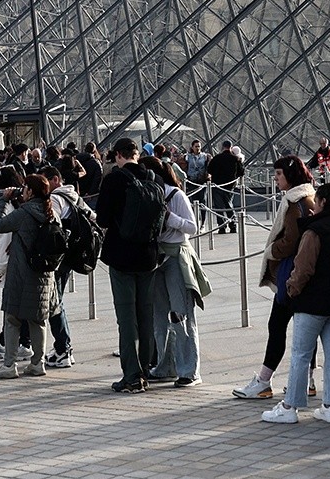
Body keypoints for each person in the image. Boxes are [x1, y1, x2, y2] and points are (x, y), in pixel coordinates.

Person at [263, 177, 330, 424]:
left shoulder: (314, 231)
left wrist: (291, 290)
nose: (313, 205)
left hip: (312, 302)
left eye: (316, 201)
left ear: (324, 202)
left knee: (300, 354)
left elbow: (303, 269)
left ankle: (290, 407)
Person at [233, 154, 318, 401]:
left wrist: (271, 251)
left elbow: (290, 241)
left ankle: (263, 381)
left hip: (292, 273)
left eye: (279, 174)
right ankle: (307, 382)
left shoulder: (294, 202)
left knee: (277, 326)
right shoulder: (309, 197)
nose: (275, 178)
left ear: (290, 176)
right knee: (304, 329)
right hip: (304, 273)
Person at [97, 140, 165, 393]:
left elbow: (103, 218)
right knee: (145, 316)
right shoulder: (154, 178)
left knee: (126, 318)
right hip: (148, 255)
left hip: (121, 255)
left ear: (117, 155)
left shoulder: (115, 180)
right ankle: (146, 370)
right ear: (137, 154)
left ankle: (132, 376)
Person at [0, 175, 61, 379]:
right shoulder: (51, 212)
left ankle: (9, 365)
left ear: (30, 191)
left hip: (21, 273)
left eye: (25, 188)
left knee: (12, 318)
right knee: (38, 320)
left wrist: (3, 200)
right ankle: (38, 363)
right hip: (44, 275)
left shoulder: (25, 213)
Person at [144, 155, 206, 386]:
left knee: (181, 314)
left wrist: (171, 219)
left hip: (176, 256)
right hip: (156, 259)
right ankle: (165, 366)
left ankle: (190, 370)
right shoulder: (148, 195)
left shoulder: (175, 195)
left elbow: (192, 227)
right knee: (159, 317)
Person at [42, 163, 95, 369]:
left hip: (58, 258)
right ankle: (63, 347)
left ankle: (63, 348)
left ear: (55, 180)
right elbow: (93, 218)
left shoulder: (55, 198)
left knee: (55, 302)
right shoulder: (74, 196)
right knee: (57, 300)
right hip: (72, 256)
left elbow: (50, 224)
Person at [207, 140, 245, 234]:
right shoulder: (235, 159)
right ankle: (233, 225)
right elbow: (242, 172)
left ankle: (222, 227)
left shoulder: (216, 158)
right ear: (231, 147)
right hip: (230, 185)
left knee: (219, 207)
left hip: (217, 185)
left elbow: (209, 170)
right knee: (229, 205)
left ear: (222, 146)